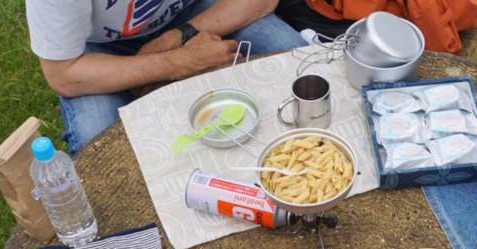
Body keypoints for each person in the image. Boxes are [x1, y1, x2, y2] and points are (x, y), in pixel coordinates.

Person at [26, 0, 308, 153]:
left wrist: (183, 34)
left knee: (299, 64)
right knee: (98, 145)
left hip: (193, 11)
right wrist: (178, 62)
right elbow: (63, 73)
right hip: (95, 47)